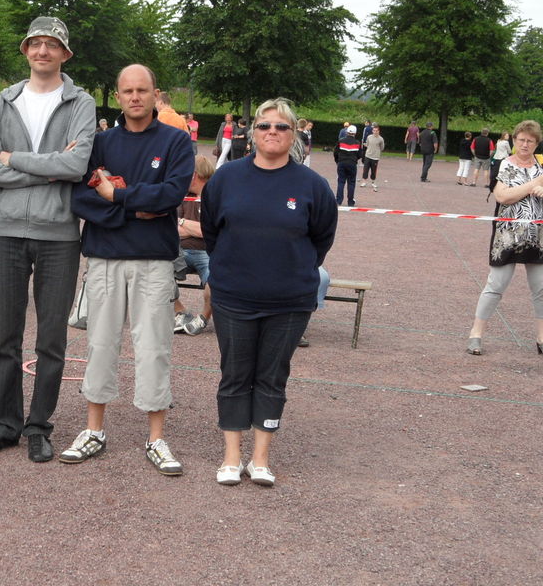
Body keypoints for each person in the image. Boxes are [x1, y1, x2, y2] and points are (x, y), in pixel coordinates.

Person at [0, 16, 96, 463]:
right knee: (6, 336)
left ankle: (39, 425)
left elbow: (77, 165)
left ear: (65, 53)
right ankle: (5, 423)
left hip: (59, 236)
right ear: (25, 50)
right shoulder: (5, 101)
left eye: (52, 44)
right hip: (5, 232)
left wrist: (15, 163)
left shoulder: (80, 102)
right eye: (36, 43)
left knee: (51, 339)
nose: (43, 51)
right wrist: (46, 169)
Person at [60, 63, 194, 475]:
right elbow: (80, 199)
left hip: (154, 261)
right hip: (103, 257)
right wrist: (134, 208)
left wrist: (115, 195)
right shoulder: (100, 143)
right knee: (100, 344)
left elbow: (171, 195)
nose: (135, 97)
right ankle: (94, 430)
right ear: (117, 96)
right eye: (127, 90)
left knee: (154, 347)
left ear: (156, 94)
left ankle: (156, 438)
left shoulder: (176, 141)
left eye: (142, 90)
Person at [201, 98, 337, 487]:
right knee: (234, 374)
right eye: (264, 126)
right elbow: (212, 231)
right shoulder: (227, 179)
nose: (272, 133)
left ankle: (260, 459)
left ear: (293, 134)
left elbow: (322, 237)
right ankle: (231, 457)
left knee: (272, 376)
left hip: (289, 301)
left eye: (280, 127)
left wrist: (292, 270)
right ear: (251, 134)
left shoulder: (312, 185)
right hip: (234, 298)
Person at [466, 120, 543, 358]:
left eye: (530, 141)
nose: (525, 144)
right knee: (495, 285)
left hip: (538, 236)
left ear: (537, 143)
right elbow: (502, 196)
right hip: (507, 236)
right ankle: (475, 334)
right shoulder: (503, 165)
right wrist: (533, 185)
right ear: (514, 141)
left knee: (542, 288)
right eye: (521, 139)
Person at [173, 155, 215, 336]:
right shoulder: (182, 195)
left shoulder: (215, 196)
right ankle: (180, 311)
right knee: (157, 268)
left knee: (217, 279)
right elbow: (172, 228)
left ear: (195, 175)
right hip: (179, 248)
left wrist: (182, 222)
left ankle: (204, 317)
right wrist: (192, 227)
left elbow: (210, 231)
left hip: (208, 251)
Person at [334, 124, 361, 206]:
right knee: (351, 183)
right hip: (352, 164)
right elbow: (360, 154)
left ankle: (338, 200)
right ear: (355, 133)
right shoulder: (357, 143)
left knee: (341, 182)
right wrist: (355, 159)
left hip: (341, 163)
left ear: (347, 132)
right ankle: (350, 201)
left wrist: (337, 161)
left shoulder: (341, 141)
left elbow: (335, 152)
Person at [359, 124, 384, 190]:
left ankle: (373, 182)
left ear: (379, 131)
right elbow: (367, 144)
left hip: (375, 157)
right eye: (374, 130)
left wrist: (377, 151)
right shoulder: (369, 137)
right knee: (365, 169)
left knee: (373, 170)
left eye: (376, 131)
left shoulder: (381, 139)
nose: (375, 132)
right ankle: (364, 181)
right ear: (372, 131)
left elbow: (382, 148)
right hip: (368, 156)